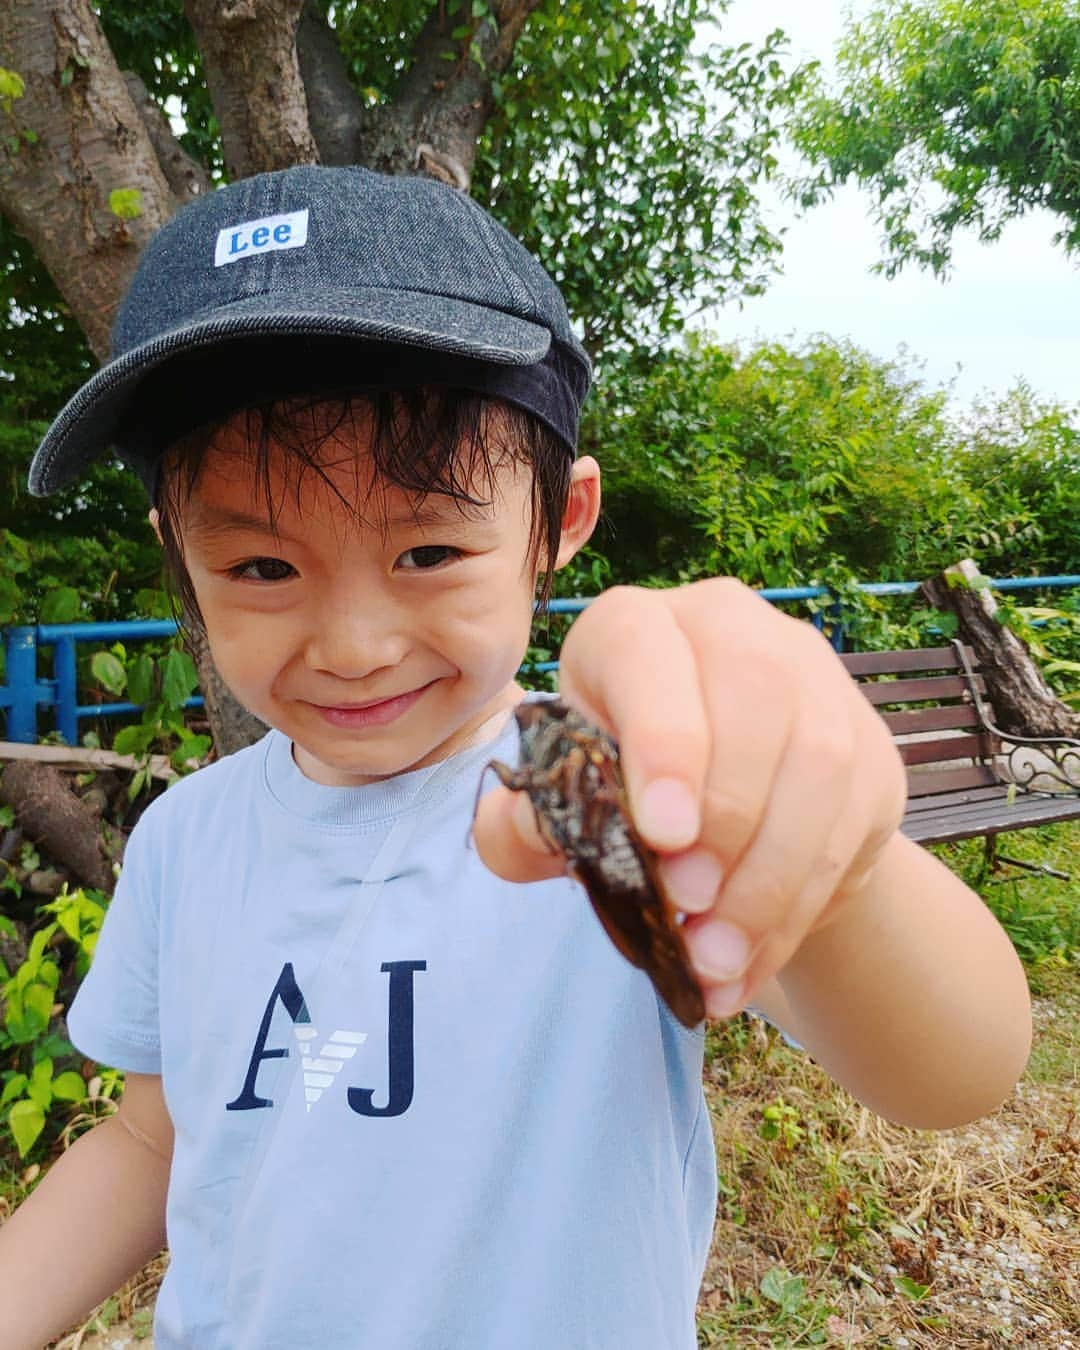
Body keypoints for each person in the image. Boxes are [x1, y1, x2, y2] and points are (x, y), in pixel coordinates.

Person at [0, 166, 1030, 1350]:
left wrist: (839, 870)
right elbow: (150, 1135)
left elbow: (964, 1072)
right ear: (178, 556)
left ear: (561, 523)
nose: (353, 644)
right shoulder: (188, 841)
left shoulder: (613, 800)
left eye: (430, 549)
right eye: (263, 569)